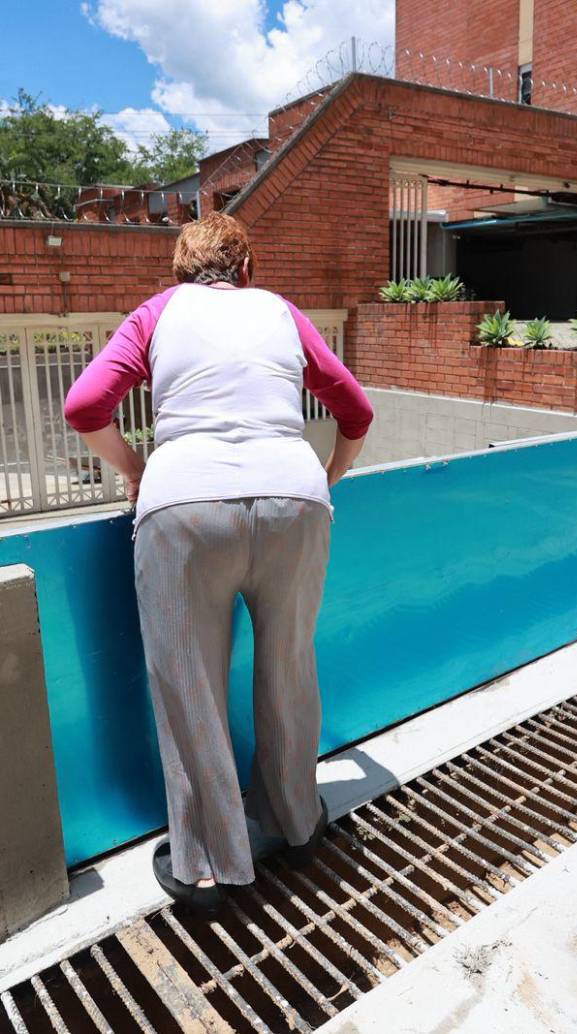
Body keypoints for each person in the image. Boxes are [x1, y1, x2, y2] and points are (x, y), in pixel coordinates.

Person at [64, 212, 374, 915]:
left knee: (189, 683)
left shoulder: (157, 313)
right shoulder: (282, 312)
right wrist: (326, 477)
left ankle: (208, 865)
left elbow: (84, 406)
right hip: (295, 500)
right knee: (289, 665)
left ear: (181, 272)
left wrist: (136, 468)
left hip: (185, 506)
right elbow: (355, 410)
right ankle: (297, 825)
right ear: (246, 269)